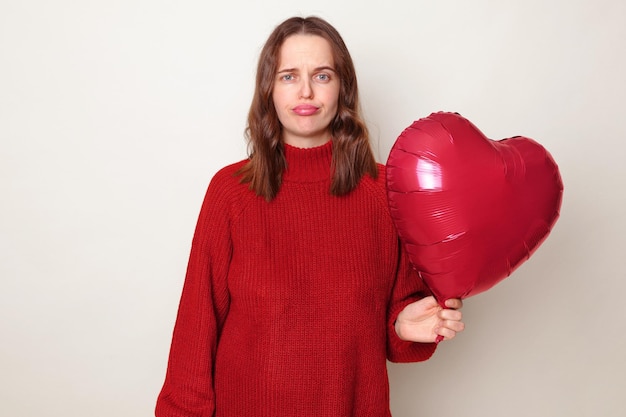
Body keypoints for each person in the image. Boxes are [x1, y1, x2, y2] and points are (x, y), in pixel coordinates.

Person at [155, 16, 464, 417]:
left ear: (342, 88)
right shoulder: (230, 193)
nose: (305, 91)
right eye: (288, 76)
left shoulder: (386, 193)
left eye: (321, 75)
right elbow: (196, 330)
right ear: (268, 88)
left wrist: (405, 327)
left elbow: (395, 321)